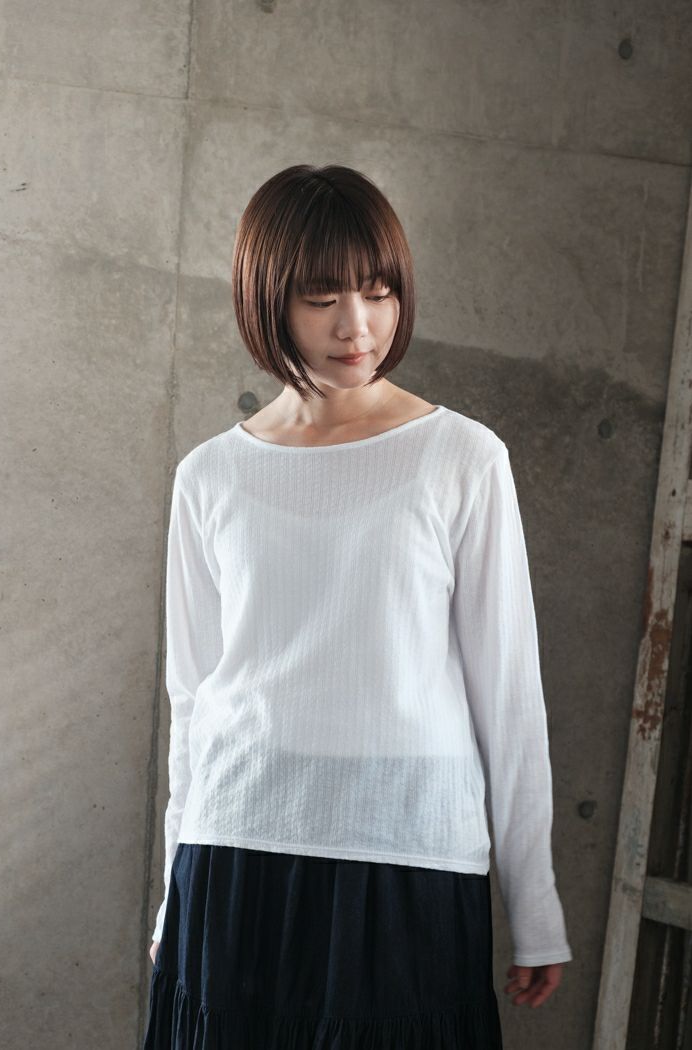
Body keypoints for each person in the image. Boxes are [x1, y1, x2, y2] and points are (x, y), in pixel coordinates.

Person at [142, 164, 572, 1049]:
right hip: (237, 855)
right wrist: (172, 895)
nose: (358, 326)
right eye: (322, 298)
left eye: (379, 293)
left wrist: (536, 908)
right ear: (266, 300)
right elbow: (194, 702)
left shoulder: (462, 459)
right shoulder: (209, 476)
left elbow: (509, 698)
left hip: (406, 851)